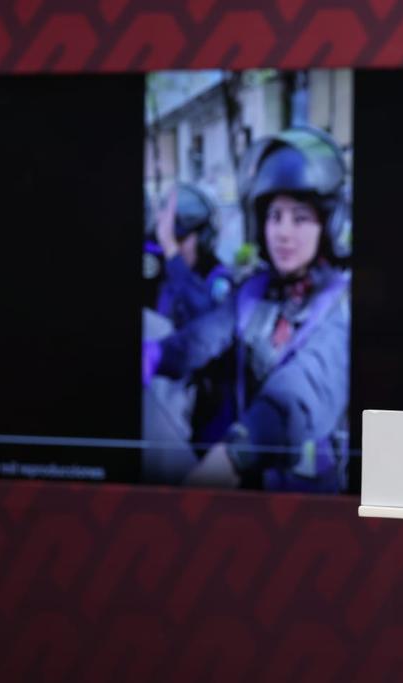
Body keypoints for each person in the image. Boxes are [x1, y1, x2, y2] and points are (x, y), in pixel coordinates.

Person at [143, 126, 351, 492]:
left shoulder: (341, 305)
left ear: (328, 225)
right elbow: (201, 339)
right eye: (275, 216)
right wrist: (157, 355)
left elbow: (298, 396)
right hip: (246, 488)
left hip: (306, 506)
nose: (283, 233)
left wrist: (235, 453)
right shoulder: (254, 291)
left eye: (300, 218)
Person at [153, 183, 233, 329]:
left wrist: (171, 250)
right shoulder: (171, 277)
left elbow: (205, 324)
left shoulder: (219, 279)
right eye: (171, 240)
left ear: (203, 239)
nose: (173, 247)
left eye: (180, 240)